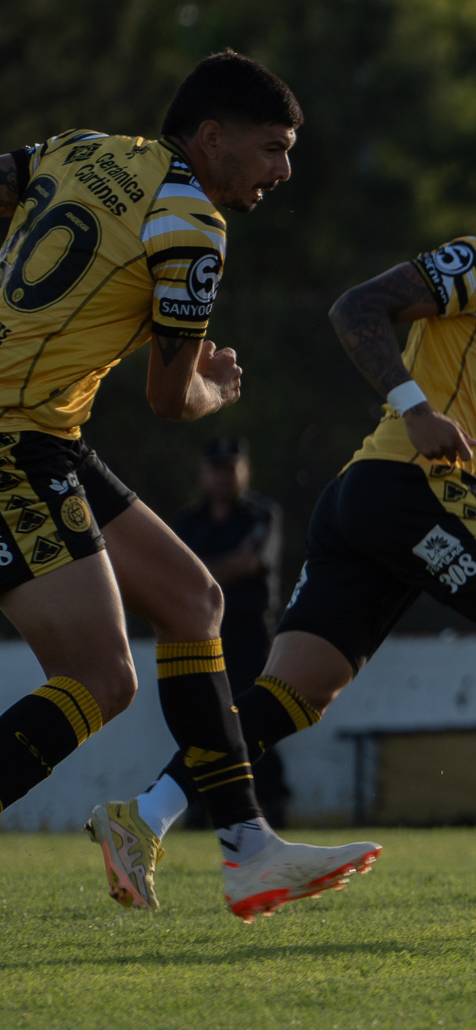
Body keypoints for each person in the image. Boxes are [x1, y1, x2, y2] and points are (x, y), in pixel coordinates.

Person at [110, 133, 476, 892]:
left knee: (291, 693)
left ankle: (143, 814)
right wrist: (417, 405)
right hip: (406, 483)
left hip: (374, 499)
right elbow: (357, 306)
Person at [0, 51, 378, 919]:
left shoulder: (82, 147)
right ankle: (237, 845)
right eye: (273, 148)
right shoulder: (193, 224)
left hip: (46, 431)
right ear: (213, 140)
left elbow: (6, 178)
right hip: (14, 436)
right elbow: (171, 401)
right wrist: (213, 385)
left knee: (192, 600)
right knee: (99, 676)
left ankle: (246, 849)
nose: (284, 170)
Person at [171, 436, 287, 825]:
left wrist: (197, 572)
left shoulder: (261, 514)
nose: (223, 478)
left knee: (253, 716)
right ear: (204, 475)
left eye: (230, 469)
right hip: (200, 635)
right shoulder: (188, 521)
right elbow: (172, 576)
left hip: (248, 633)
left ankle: (271, 803)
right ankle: (198, 803)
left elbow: (248, 562)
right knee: (199, 720)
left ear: (244, 472)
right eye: (216, 471)